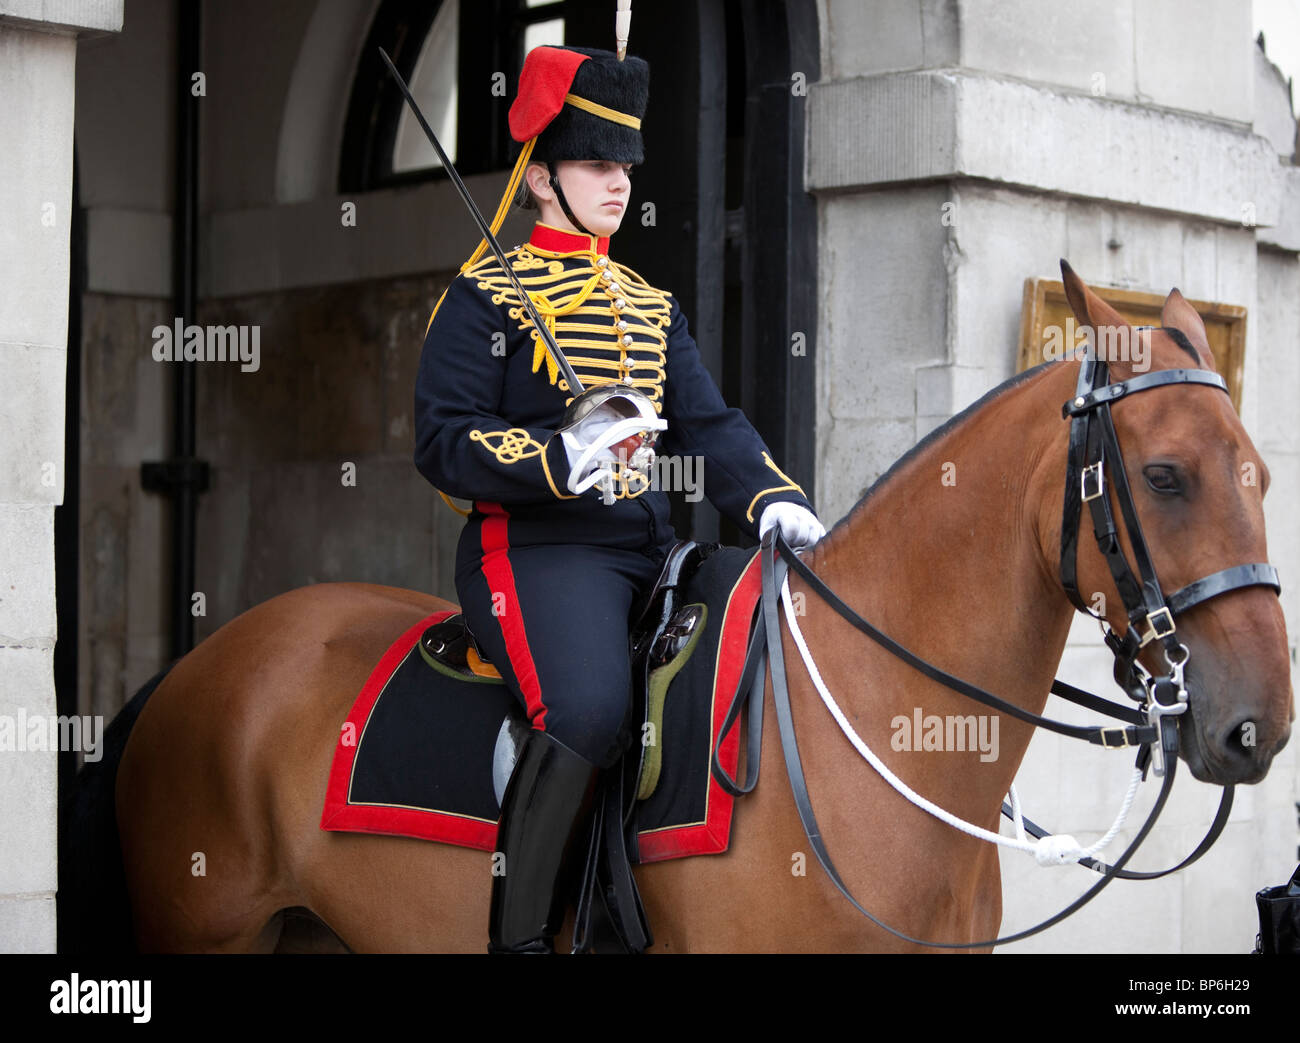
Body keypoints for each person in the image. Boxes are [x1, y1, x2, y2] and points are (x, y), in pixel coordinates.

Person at [413, 44, 824, 953]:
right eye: (599, 165)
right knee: (591, 709)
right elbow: (443, 441)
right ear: (543, 178)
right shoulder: (485, 298)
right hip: (534, 551)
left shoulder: (647, 303)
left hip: (648, 543)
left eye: (626, 166)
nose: (621, 184)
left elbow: (709, 423)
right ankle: (519, 939)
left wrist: (771, 500)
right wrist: (559, 458)